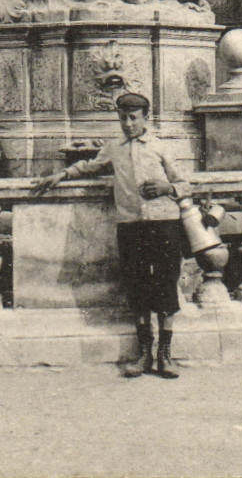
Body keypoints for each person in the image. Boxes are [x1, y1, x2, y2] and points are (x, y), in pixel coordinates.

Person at [31, 92, 189, 378]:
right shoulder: (114, 147)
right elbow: (90, 166)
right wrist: (61, 176)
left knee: (166, 284)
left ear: (145, 118)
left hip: (164, 223)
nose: (128, 124)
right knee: (137, 286)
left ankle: (165, 355)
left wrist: (168, 188)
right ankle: (144, 354)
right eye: (123, 118)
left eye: (133, 118)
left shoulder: (160, 146)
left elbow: (185, 183)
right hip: (131, 225)